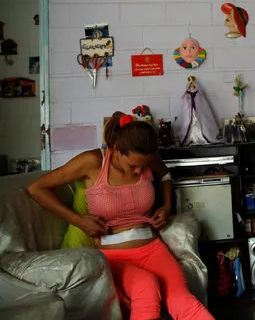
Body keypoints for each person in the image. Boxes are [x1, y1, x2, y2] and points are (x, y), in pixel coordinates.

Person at [28, 112, 214, 320]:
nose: (138, 171)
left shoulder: (146, 156)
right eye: (133, 165)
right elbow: (37, 188)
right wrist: (77, 220)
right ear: (116, 150)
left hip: (153, 249)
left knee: (183, 302)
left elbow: (165, 175)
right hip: (113, 256)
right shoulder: (92, 162)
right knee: (146, 286)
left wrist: (167, 205)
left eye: (143, 166)